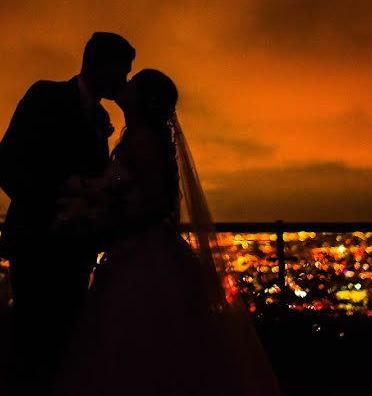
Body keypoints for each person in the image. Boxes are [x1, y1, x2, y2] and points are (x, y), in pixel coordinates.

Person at [50, 69, 283, 396]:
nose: (124, 83)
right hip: (138, 251)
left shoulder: (143, 140)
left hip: (140, 255)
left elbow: (158, 203)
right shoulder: (140, 137)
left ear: (142, 99)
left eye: (133, 83)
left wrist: (108, 223)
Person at [0, 31, 136, 395]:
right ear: (100, 66)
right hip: (37, 247)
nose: (124, 80)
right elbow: (5, 165)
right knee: (29, 351)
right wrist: (59, 206)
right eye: (122, 71)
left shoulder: (100, 117)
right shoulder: (46, 96)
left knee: (60, 350)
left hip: (75, 252)